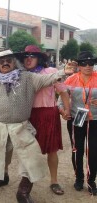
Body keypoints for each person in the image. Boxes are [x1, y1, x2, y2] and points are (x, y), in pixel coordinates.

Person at [0, 49, 73, 203]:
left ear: (14, 62)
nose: (5, 63)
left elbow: (48, 79)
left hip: (21, 126)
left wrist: (63, 71)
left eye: (8, 60)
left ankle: (23, 192)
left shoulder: (28, 78)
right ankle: (3, 177)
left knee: (30, 158)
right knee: (1, 156)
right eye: (1, 61)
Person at [0, 45, 69, 195]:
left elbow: (63, 92)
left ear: (39, 59)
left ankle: (54, 181)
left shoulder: (49, 72)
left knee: (52, 150)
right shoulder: (20, 75)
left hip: (49, 114)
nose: (28, 59)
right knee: (28, 150)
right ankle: (26, 184)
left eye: (32, 56)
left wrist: (67, 110)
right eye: (26, 56)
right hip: (28, 116)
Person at [59, 51, 97, 196]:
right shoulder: (70, 80)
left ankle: (91, 180)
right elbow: (61, 99)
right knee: (77, 149)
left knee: (93, 151)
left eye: (90, 63)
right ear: (78, 66)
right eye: (83, 63)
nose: (88, 66)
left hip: (94, 121)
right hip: (77, 119)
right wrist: (63, 111)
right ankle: (79, 178)